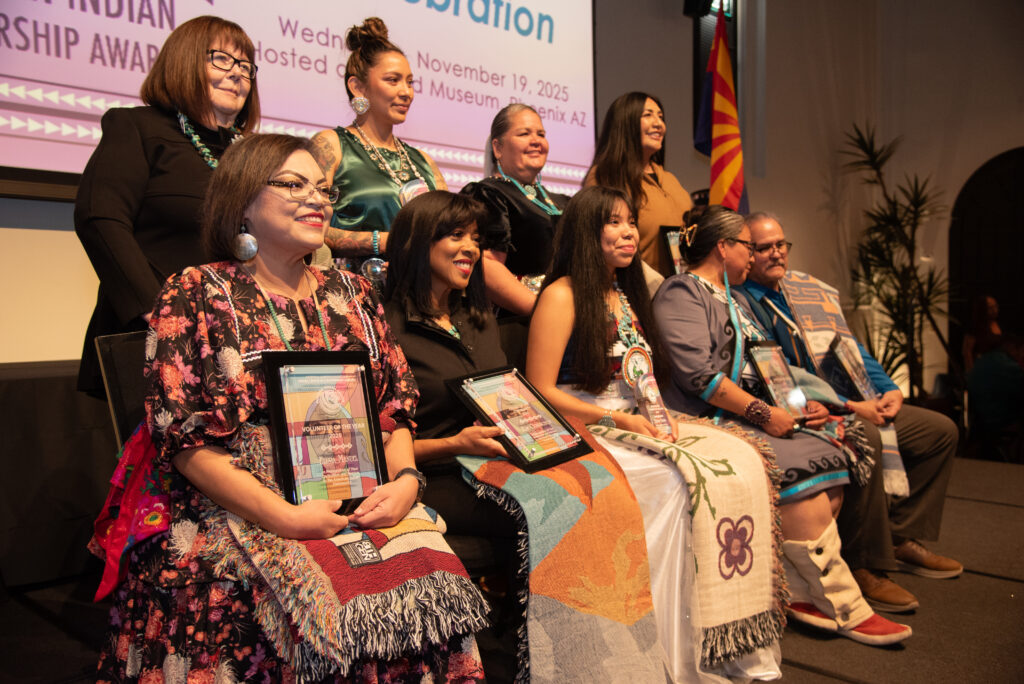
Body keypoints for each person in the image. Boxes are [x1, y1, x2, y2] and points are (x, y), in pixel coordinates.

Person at [92, 134, 487, 681]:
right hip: (237, 502)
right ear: (242, 200)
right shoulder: (195, 291)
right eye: (294, 185)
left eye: (324, 189)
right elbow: (184, 440)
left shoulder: (353, 293)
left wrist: (406, 483)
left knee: (433, 589)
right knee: (255, 601)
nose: (317, 199)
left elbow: (394, 410)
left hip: (360, 490)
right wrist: (285, 518)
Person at [527, 186, 788, 681]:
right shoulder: (562, 294)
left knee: (743, 461)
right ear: (586, 231)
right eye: (614, 223)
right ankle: (665, 646)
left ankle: (723, 640)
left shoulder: (624, 294)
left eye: (631, 222)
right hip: (585, 423)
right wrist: (615, 420)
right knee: (673, 483)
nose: (629, 233)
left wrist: (647, 415)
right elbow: (540, 391)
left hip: (636, 416)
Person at [652, 205, 913, 646]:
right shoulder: (682, 292)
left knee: (828, 451)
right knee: (798, 465)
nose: (753, 256)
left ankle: (799, 589)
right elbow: (699, 378)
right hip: (703, 418)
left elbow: (769, 366)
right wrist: (763, 414)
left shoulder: (735, 298)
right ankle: (844, 603)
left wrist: (800, 405)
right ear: (723, 248)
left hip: (751, 412)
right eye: (747, 247)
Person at [736, 211, 962, 604]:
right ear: (746, 253)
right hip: (805, 407)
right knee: (866, 435)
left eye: (781, 244)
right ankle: (864, 563)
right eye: (764, 247)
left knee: (939, 431)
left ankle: (899, 535)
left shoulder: (805, 292)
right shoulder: (743, 302)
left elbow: (850, 346)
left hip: (850, 398)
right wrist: (852, 407)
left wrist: (889, 389)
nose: (777, 253)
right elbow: (775, 374)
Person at [75, 15, 261, 397]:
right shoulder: (137, 127)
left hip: (236, 342)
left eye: (246, 66)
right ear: (185, 61)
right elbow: (101, 218)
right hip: (153, 340)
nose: (238, 74)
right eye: (222, 59)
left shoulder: (251, 153)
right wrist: (159, 312)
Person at [311, 17, 445, 273]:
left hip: (415, 289)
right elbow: (308, 224)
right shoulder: (332, 145)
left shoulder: (424, 161)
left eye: (410, 82)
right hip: (351, 288)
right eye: (393, 80)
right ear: (358, 87)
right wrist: (385, 241)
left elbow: (448, 231)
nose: (406, 92)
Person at [460, 104, 569, 315]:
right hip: (518, 319)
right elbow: (488, 266)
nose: (536, 141)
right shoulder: (488, 193)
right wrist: (544, 312)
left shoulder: (564, 201)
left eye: (541, 134)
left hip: (566, 313)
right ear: (498, 147)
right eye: (524, 134)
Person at [584, 92, 693, 279]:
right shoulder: (605, 176)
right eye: (648, 115)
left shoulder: (670, 180)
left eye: (660, 117)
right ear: (625, 122)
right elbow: (593, 244)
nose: (659, 123)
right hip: (631, 287)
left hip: (677, 287)